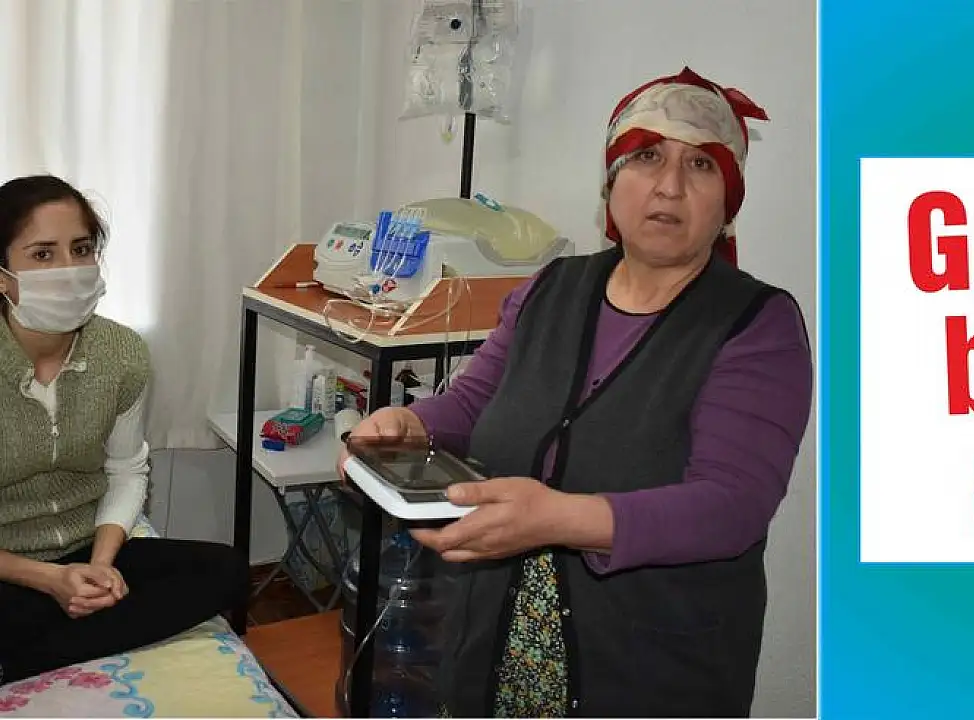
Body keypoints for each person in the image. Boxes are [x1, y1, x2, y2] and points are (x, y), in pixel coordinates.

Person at [340, 67, 813, 717]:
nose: (670, 185)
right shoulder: (551, 288)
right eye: (647, 156)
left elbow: (733, 505)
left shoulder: (757, 326)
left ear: (729, 201)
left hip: (651, 673)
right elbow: (475, 404)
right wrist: (408, 423)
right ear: (611, 182)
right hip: (495, 646)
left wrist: (562, 518)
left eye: (701, 164)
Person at [0, 175, 247, 684]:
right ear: (4, 276)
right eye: (43, 254)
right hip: (8, 562)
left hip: (85, 543)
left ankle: (25, 652)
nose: (69, 269)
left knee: (225, 570)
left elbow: (127, 469)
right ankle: (45, 636)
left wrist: (101, 565)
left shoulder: (121, 354)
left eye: (81, 249)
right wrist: (49, 580)